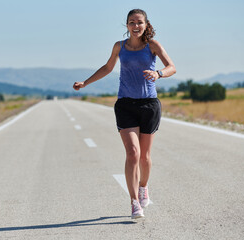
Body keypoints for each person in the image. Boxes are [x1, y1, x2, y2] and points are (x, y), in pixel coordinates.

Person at [73, 9, 176, 219]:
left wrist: (158, 74)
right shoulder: (119, 47)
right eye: (131, 22)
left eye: (139, 22)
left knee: (145, 157)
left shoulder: (153, 46)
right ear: (126, 25)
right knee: (133, 153)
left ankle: (143, 187)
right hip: (125, 105)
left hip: (149, 105)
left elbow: (172, 67)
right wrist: (86, 82)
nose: (135, 26)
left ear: (146, 24)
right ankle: (134, 202)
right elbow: (107, 67)